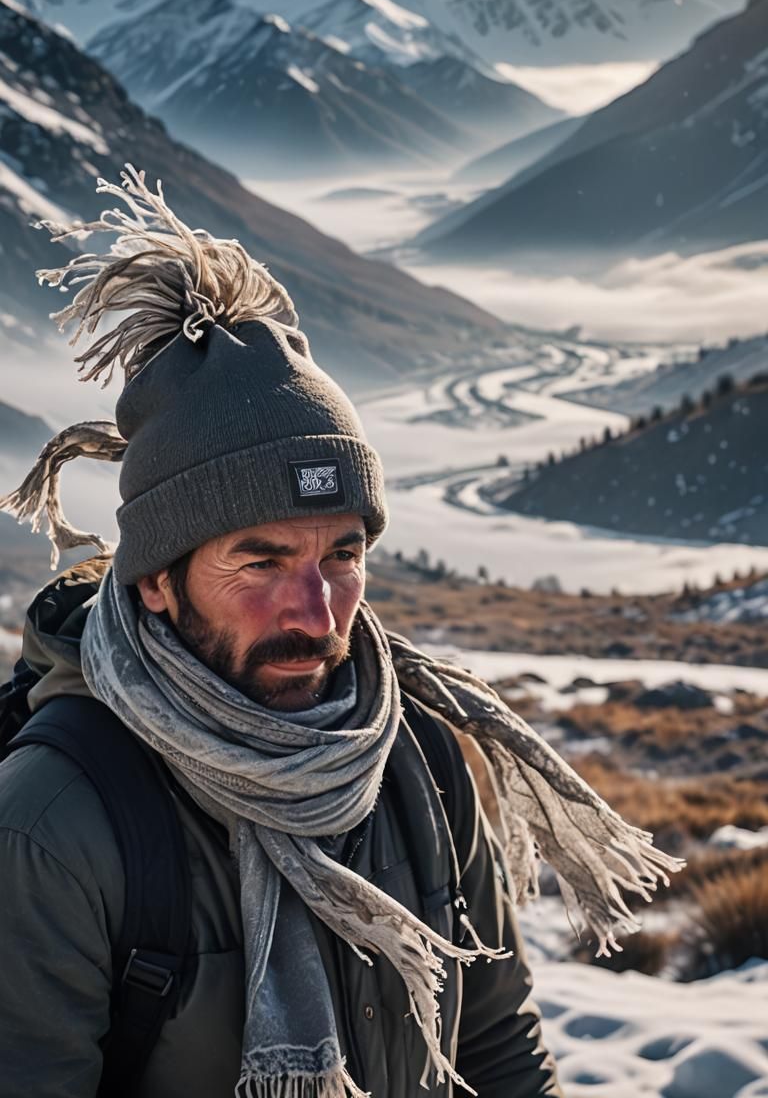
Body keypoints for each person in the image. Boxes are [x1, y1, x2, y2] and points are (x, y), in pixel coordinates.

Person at [0, 167, 679, 1098]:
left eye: (343, 555)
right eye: (261, 561)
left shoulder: (418, 762)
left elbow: (494, 1048)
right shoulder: (54, 826)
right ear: (155, 579)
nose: (317, 615)